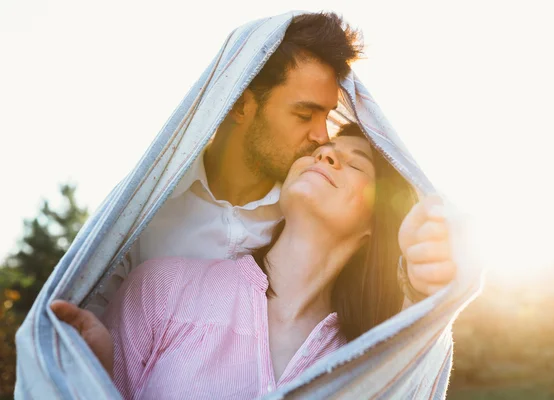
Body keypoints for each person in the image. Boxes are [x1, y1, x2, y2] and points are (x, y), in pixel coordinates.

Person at [88, 12, 455, 315]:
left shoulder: (312, 209)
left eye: (326, 115)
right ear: (238, 104)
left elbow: (380, 290)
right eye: (304, 115)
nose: (321, 136)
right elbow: (93, 323)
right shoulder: (143, 210)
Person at [53, 125, 452, 399]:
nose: (327, 154)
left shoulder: (368, 359)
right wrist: (95, 373)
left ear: (375, 224)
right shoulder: (162, 288)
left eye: (356, 162)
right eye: (319, 151)